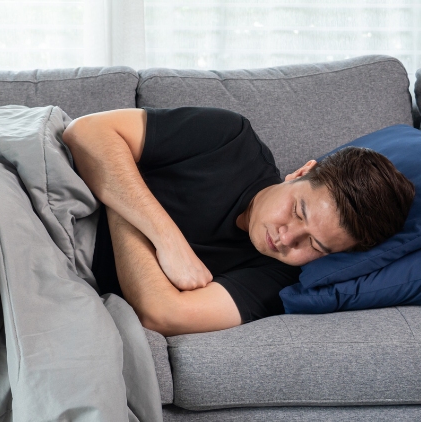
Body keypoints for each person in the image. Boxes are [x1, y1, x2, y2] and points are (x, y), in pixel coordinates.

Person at [62, 107, 415, 337]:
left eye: (314, 245)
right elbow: (86, 132)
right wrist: (167, 240)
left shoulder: (277, 278)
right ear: (302, 173)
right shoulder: (230, 139)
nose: (287, 237)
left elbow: (163, 315)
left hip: (63, 261)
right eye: (298, 211)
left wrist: (119, 193)